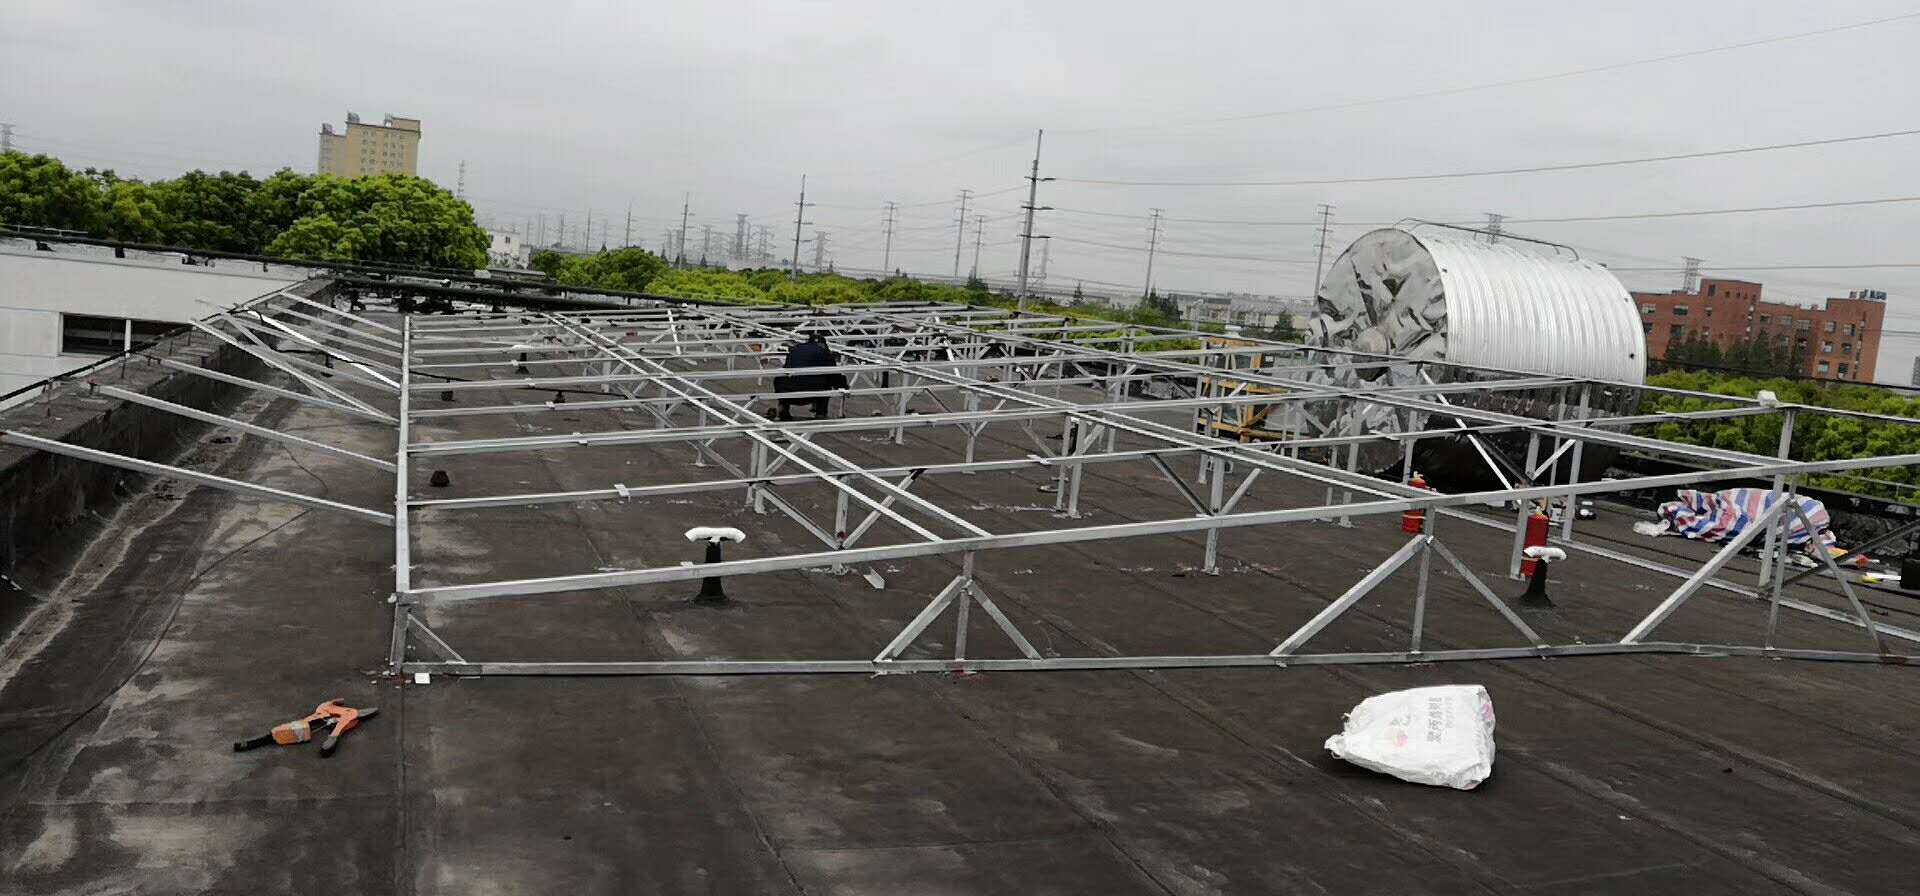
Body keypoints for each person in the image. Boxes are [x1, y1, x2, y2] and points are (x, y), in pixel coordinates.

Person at [774, 332, 844, 421]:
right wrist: (844, 387)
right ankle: (820, 413)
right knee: (827, 382)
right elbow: (835, 377)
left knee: (781, 378)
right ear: (823, 344)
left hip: (787, 392)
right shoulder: (826, 354)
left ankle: (783, 406)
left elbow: (787, 368)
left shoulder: (796, 349)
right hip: (812, 393)